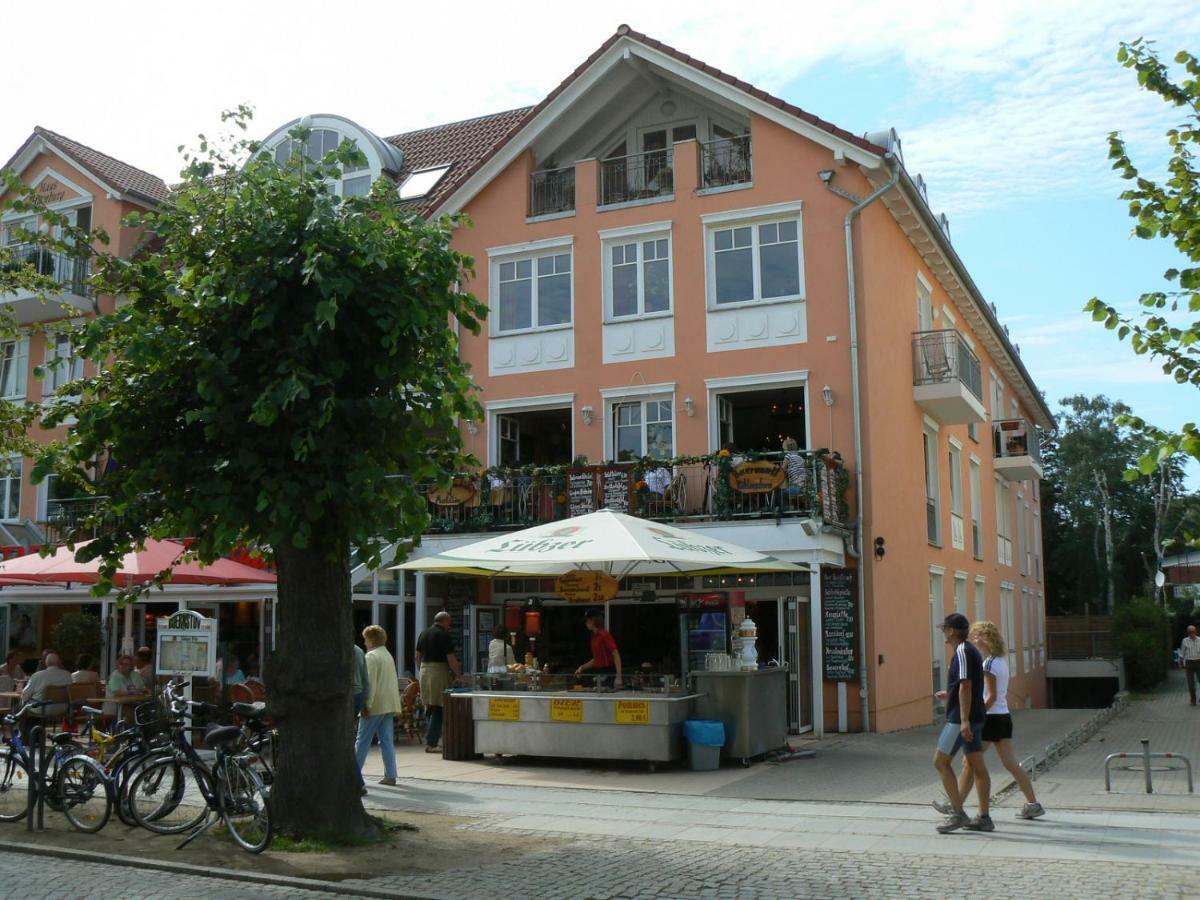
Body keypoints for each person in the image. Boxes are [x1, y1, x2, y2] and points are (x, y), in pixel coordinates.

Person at [933, 621, 1045, 820]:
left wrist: (975, 714)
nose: (974, 639)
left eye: (977, 635)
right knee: (1010, 763)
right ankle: (1033, 803)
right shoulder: (1000, 660)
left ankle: (955, 804)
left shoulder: (988, 664)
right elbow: (983, 692)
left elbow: (990, 696)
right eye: (974, 635)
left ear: (986, 639)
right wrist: (951, 695)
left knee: (970, 763)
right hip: (1003, 716)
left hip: (990, 718)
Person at [932, 612, 992, 833]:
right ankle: (984, 817)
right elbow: (965, 686)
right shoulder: (970, 651)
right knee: (978, 767)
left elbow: (966, 685)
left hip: (960, 719)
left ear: (952, 631)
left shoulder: (963, 651)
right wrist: (949, 692)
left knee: (940, 761)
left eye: (945, 630)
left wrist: (964, 720)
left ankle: (958, 814)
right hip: (974, 715)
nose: (944, 635)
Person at [356, 625, 402, 789]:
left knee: (362, 741)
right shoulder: (387, 654)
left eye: (366, 639)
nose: (364, 642)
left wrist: (366, 704)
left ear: (371, 639)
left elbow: (370, 683)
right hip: (388, 704)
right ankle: (391, 775)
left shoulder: (371, 657)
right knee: (387, 741)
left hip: (375, 705)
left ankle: (353, 775)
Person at [415, 611, 461, 753]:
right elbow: (451, 659)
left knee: (429, 705)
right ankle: (432, 741)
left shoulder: (423, 633)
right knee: (439, 707)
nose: (450, 625)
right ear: (445, 621)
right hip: (438, 672)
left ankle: (432, 738)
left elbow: (417, 657)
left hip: (424, 671)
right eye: (449, 622)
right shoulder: (444, 635)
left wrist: (420, 672)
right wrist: (458, 675)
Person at [21, 651, 72, 728]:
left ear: (46, 663)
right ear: (58, 662)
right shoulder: (67, 675)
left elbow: (25, 696)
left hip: (42, 708)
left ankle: (26, 736)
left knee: (22, 706)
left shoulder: (38, 675)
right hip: (63, 707)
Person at [575, 608, 623, 690]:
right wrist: (582, 667)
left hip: (609, 672)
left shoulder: (604, 635)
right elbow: (597, 659)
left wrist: (618, 677)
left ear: (593, 620)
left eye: (587, 621)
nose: (586, 623)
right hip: (600, 672)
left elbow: (615, 653)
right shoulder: (594, 636)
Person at [105, 654, 146, 719]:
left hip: (131, 703)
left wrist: (141, 691)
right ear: (118, 665)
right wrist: (133, 692)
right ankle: (131, 728)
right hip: (116, 706)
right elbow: (117, 692)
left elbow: (143, 689)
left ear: (131, 666)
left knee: (144, 709)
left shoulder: (134, 675)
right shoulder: (115, 676)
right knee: (132, 711)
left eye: (126, 664)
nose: (123, 666)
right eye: (121, 664)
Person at [1181, 624, 1200, 706]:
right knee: (1191, 683)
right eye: (1189, 632)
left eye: (1192, 631)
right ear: (1188, 633)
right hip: (1189, 663)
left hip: (1199, 661)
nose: (1191, 633)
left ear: (1195, 631)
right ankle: (1193, 700)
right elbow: (1182, 653)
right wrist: (1181, 663)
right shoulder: (1185, 641)